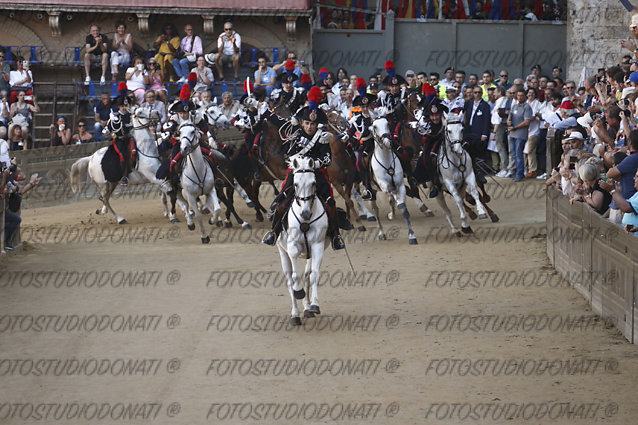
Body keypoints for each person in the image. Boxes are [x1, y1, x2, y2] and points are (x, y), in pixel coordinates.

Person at [261, 86, 345, 250]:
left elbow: (327, 157)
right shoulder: (295, 132)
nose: (309, 127)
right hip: (296, 172)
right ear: (301, 122)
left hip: (316, 174)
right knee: (282, 201)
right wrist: (265, 111)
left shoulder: (322, 137)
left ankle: (335, 236)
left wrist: (316, 163)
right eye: (306, 123)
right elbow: (285, 145)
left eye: (313, 124)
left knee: (330, 202)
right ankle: (274, 232)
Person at [463, 85, 492, 183]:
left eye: (479, 92)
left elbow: (486, 121)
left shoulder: (485, 105)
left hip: (478, 132)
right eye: (475, 92)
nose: (477, 94)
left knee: (479, 153)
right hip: (468, 131)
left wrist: (484, 134)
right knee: (468, 151)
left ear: (482, 93)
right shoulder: (468, 103)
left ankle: (480, 174)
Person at [507, 88, 533, 182]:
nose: (520, 97)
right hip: (512, 133)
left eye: (522, 95)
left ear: (525, 96)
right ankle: (517, 172)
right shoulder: (514, 106)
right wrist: (509, 122)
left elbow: (527, 122)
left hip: (520, 134)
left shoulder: (527, 107)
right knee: (513, 154)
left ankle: (519, 174)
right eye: (518, 95)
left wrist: (515, 127)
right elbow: (509, 117)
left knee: (518, 154)